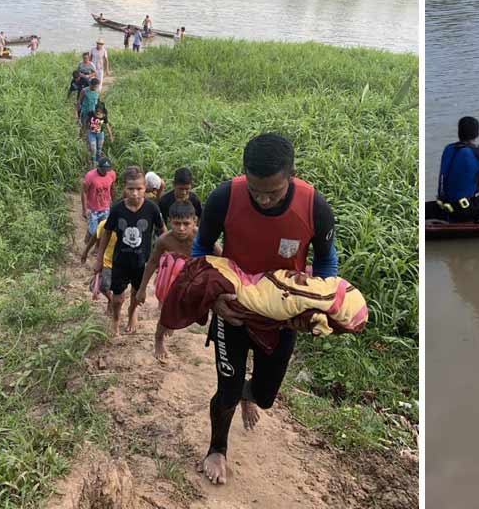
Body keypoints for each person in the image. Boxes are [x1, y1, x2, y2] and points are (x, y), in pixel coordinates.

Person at [190, 133, 338, 486]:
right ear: (245, 175)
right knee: (226, 388)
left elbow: (327, 263)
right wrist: (214, 299)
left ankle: (247, 394)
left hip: (282, 318)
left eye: (273, 191)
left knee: (266, 396)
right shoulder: (224, 198)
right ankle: (217, 448)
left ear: (292, 174)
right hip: (234, 311)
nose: (264, 198)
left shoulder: (314, 207)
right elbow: (200, 248)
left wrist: (316, 306)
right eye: (256, 190)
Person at [93, 166, 166, 336]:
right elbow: (106, 233)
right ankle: (116, 319)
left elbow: (163, 232)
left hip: (142, 263)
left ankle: (132, 314)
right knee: (118, 298)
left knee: (136, 293)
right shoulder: (117, 209)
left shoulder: (152, 209)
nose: (135, 193)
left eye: (139, 189)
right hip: (120, 261)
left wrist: (165, 255)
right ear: (124, 188)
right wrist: (99, 259)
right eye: (130, 189)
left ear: (145, 188)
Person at [139, 200, 199, 362]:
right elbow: (152, 262)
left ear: (195, 221)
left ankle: (171, 321)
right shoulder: (164, 240)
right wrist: (142, 289)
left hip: (192, 280)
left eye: (186, 223)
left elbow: (220, 256)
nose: (181, 228)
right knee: (167, 313)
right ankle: (158, 339)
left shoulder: (201, 237)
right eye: (176, 223)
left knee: (180, 312)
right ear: (169, 221)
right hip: (169, 280)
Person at [82, 157, 116, 249]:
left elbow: (112, 188)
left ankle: (97, 249)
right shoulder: (90, 176)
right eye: (103, 169)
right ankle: (89, 234)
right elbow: (84, 192)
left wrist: (114, 203)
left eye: (107, 169)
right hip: (93, 209)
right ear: (98, 167)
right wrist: (84, 209)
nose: (105, 171)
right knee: (94, 232)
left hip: (105, 207)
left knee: (103, 230)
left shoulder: (111, 174)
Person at [81, 216, 117, 301]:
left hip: (119, 263)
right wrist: (85, 251)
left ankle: (112, 302)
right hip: (105, 261)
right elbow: (96, 236)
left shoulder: (126, 228)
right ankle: (111, 301)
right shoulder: (104, 224)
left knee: (109, 286)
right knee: (100, 286)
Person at [86, 103, 114, 167]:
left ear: (102, 111)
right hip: (92, 133)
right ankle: (93, 161)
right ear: (95, 110)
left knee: (99, 148)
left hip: (100, 134)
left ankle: (98, 160)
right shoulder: (91, 113)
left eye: (99, 112)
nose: (98, 114)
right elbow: (86, 121)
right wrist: (85, 130)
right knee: (93, 148)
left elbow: (107, 126)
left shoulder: (104, 116)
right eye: (97, 112)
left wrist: (111, 136)